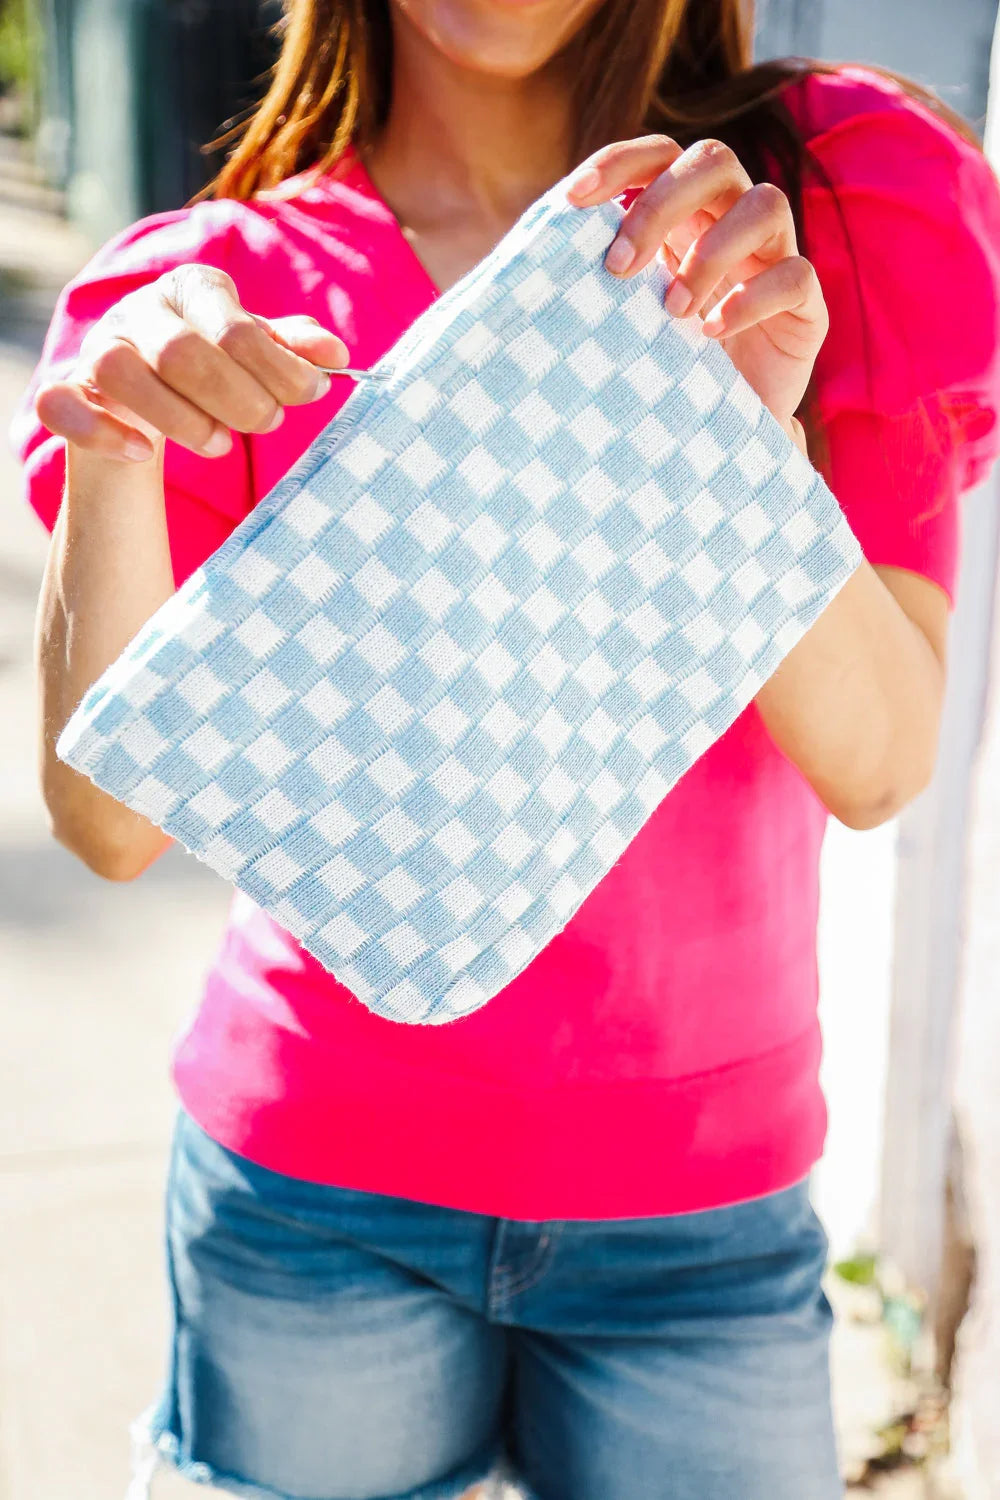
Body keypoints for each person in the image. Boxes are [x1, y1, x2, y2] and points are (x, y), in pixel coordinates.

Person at [13, 1, 1000, 1496]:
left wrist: (735, 445)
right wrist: (112, 441)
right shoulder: (218, 292)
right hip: (315, 1203)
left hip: (704, 1227)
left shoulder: (827, 198)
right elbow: (109, 826)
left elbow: (878, 763)